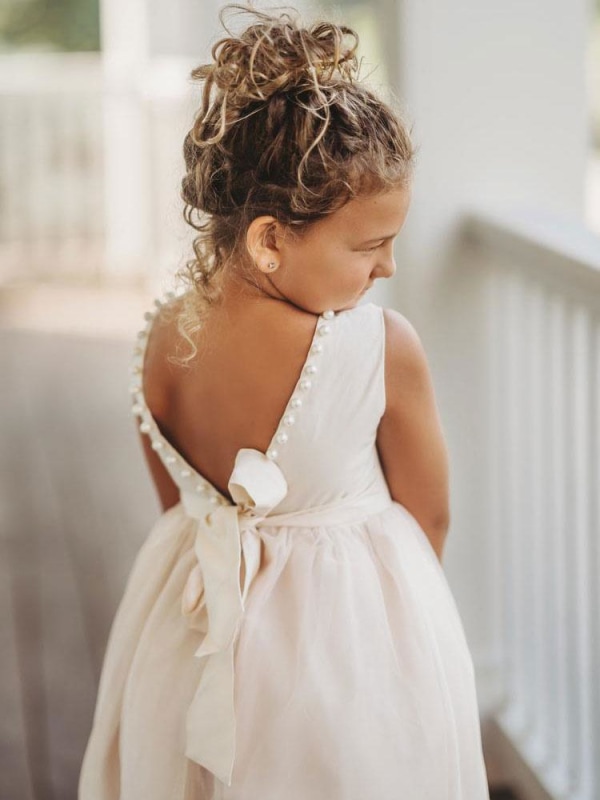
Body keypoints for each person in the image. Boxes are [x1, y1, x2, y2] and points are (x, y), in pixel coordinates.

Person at [78, 5, 490, 798]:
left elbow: (183, 512)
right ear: (271, 239)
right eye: (370, 246)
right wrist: (402, 630)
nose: (388, 268)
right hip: (342, 661)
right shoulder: (379, 347)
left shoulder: (159, 337)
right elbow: (429, 517)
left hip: (188, 646)